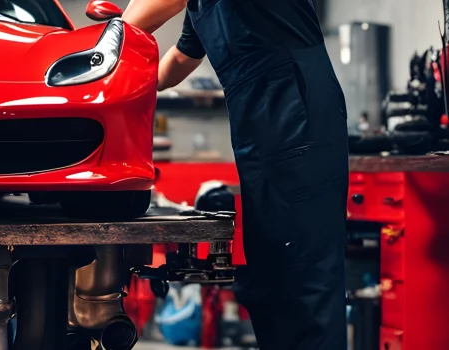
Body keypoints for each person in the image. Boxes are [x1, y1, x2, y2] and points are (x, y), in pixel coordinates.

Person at [123, 0, 348, 349]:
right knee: (270, 276)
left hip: (297, 111)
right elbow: (181, 59)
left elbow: (148, 11)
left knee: (304, 278)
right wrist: (125, 82)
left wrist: (110, 43)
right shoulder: (199, 8)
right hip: (260, 126)